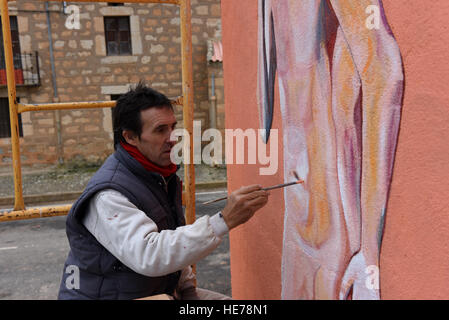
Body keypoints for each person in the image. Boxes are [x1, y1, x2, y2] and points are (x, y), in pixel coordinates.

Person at [57, 83, 270, 300]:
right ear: (130, 137)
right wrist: (224, 220)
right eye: (160, 130)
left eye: (173, 127)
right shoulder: (109, 195)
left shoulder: (158, 175)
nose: (173, 138)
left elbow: (169, 233)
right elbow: (150, 254)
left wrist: (186, 286)